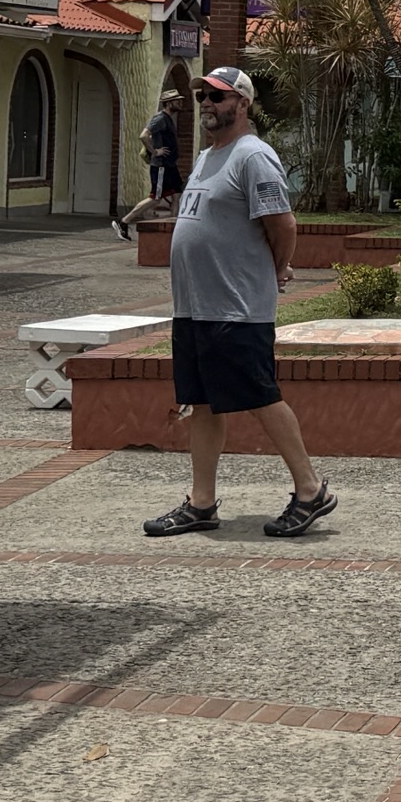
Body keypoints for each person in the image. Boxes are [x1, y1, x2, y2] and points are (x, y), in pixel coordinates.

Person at [143, 65, 337, 540]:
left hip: (236, 307)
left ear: (243, 104)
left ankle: (311, 489)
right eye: (202, 97)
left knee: (261, 396)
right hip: (195, 308)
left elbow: (283, 224)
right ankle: (201, 503)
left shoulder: (253, 156)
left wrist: (277, 267)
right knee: (203, 403)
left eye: (218, 96)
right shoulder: (209, 157)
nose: (207, 104)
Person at [113, 90, 187, 241]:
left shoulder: (168, 119)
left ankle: (174, 230)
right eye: (177, 101)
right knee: (155, 198)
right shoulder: (160, 118)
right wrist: (155, 151)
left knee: (177, 194)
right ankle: (124, 221)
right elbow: (144, 135)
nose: (180, 103)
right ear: (169, 103)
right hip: (161, 166)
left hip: (170, 165)